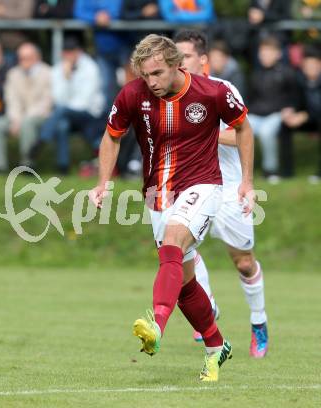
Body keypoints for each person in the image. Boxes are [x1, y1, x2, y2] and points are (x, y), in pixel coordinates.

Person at [89, 34, 255, 381]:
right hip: (157, 194)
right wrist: (103, 180)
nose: (151, 82)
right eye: (145, 75)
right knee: (183, 281)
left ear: (176, 65)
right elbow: (112, 135)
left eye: (158, 74)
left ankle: (157, 325)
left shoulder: (212, 92)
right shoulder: (133, 94)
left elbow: (243, 128)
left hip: (203, 185)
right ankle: (216, 345)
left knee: (172, 245)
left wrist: (247, 181)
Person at [174, 29, 269, 358]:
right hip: (187, 186)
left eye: (184, 56)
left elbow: (243, 133)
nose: (178, 63)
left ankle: (259, 322)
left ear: (203, 60)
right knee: (178, 247)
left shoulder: (221, 90)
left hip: (227, 187)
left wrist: (247, 182)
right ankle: (209, 307)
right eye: (174, 57)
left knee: (243, 262)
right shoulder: (166, 95)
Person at [39, 36, 105, 174]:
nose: (68, 55)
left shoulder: (90, 67)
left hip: (89, 114)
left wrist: (66, 105)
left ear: (78, 52)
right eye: (66, 52)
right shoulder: (58, 69)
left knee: (61, 112)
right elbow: (57, 98)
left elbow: (84, 102)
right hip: (67, 114)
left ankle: (42, 139)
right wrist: (67, 77)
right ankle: (63, 166)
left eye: (71, 51)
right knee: (62, 125)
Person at [0, 42, 52, 172]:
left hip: (41, 116)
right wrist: (16, 119)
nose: (25, 61)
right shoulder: (13, 74)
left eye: (28, 57)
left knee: (27, 123)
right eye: (22, 58)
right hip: (17, 116)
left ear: (37, 57)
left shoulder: (48, 73)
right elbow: (11, 99)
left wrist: (22, 120)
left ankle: (27, 164)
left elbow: (46, 102)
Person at [248, 35, 298, 182]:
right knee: (237, 130)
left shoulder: (287, 73)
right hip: (256, 115)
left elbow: (296, 96)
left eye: (269, 52)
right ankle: (238, 170)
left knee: (266, 132)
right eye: (262, 52)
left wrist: (290, 108)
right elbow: (250, 98)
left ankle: (270, 170)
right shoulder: (255, 74)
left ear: (278, 53)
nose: (265, 55)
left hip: (277, 114)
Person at [280, 44, 321, 182]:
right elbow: (295, 101)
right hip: (306, 118)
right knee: (285, 125)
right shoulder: (299, 80)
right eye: (307, 65)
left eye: (313, 64)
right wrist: (290, 111)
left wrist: (305, 115)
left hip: (315, 118)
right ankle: (286, 172)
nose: (310, 68)